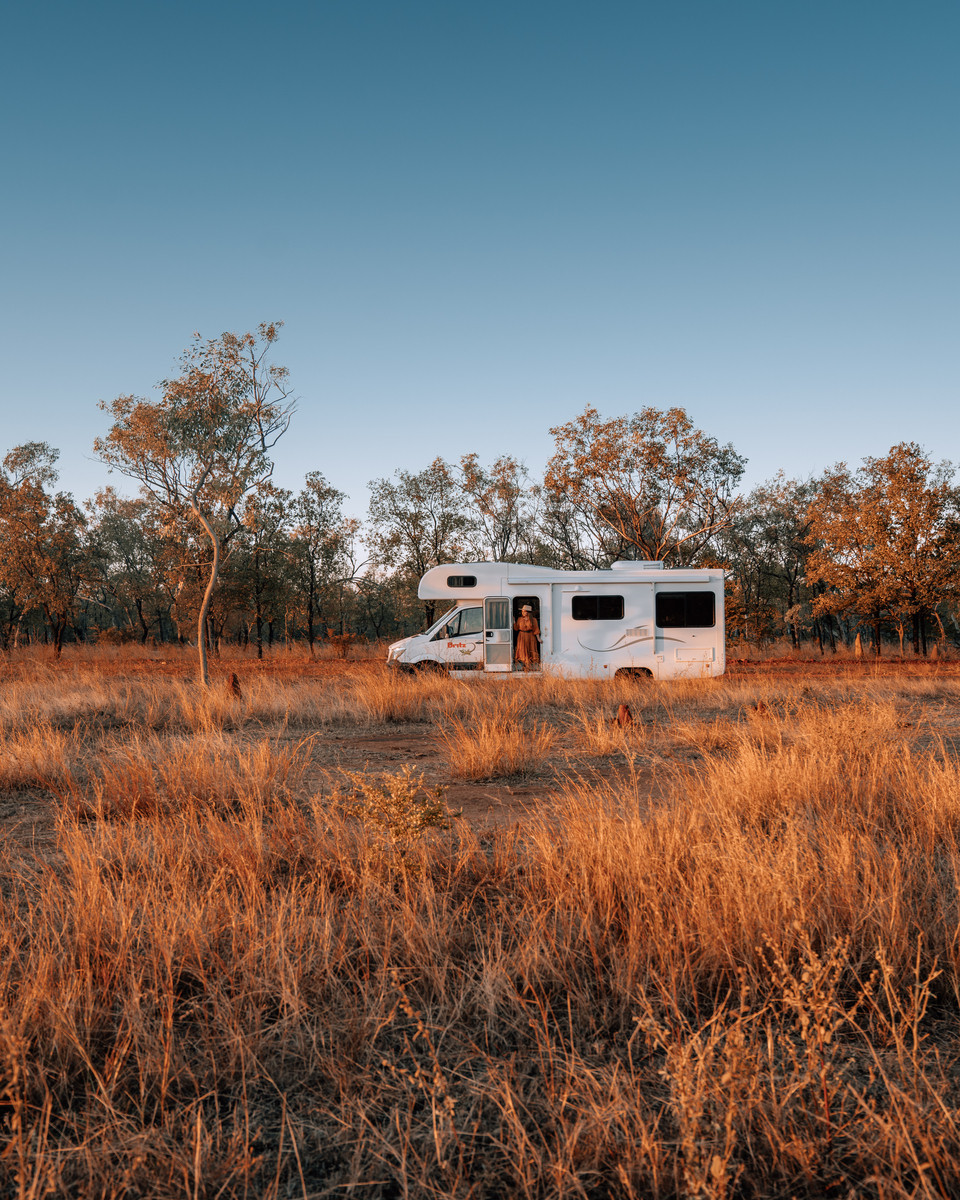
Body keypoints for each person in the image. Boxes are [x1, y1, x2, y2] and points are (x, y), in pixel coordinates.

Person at [513, 604, 540, 669]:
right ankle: (524, 666)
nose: (522, 612)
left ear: (528, 612)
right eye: (522, 611)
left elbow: (536, 629)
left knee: (531, 649)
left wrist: (538, 639)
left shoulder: (533, 620)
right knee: (522, 650)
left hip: (530, 636)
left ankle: (530, 666)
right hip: (521, 636)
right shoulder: (519, 619)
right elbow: (516, 628)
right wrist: (514, 621)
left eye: (524, 611)